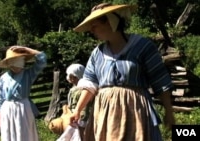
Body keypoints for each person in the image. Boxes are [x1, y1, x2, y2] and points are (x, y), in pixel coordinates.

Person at [69, 3, 175, 141]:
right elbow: (90, 84)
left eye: (94, 26)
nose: (91, 30)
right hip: (105, 113)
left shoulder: (142, 46)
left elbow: (160, 80)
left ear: (110, 22)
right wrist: (77, 110)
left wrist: (169, 110)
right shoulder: (97, 53)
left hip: (134, 110)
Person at [0, 45, 47, 141]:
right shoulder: (3, 78)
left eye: (21, 60)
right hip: (7, 109)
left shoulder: (28, 74)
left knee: (24, 132)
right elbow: (0, 98)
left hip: (23, 108)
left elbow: (42, 61)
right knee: (8, 133)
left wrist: (28, 50)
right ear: (10, 63)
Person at [49, 64, 93, 141]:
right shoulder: (74, 89)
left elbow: (85, 105)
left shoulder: (83, 89)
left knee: (83, 135)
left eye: (73, 77)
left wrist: (81, 118)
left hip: (82, 117)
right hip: (74, 115)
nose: (70, 78)